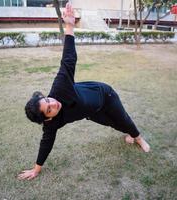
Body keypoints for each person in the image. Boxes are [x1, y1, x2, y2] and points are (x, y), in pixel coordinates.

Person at [17, 3, 150, 181]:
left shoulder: (59, 89)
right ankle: (128, 133)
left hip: (105, 95)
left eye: (48, 100)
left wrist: (70, 26)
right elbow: (46, 143)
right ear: (47, 118)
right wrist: (36, 169)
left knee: (122, 118)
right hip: (92, 112)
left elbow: (68, 59)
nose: (53, 103)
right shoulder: (51, 125)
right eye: (49, 109)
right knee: (114, 123)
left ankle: (138, 137)